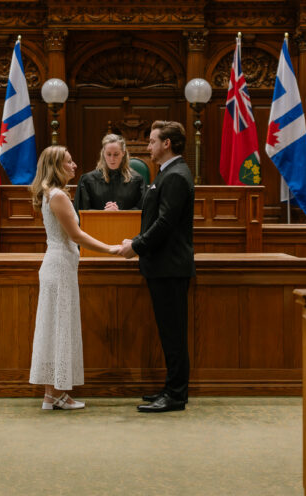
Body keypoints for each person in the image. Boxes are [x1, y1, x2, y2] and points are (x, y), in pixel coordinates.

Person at [29, 145, 120, 410]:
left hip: (60, 266)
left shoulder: (53, 194)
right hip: (59, 268)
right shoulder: (58, 196)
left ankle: (52, 394)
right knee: (60, 328)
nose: (74, 165)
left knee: (57, 328)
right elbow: (77, 236)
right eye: (69, 162)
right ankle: (56, 394)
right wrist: (110, 249)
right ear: (57, 166)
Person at [119, 120, 195, 413]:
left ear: (167, 144)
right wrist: (137, 240)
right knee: (168, 332)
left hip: (170, 266)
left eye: (152, 141)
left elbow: (165, 223)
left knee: (173, 333)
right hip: (163, 265)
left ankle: (176, 395)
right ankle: (172, 387)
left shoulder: (176, 175)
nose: (148, 147)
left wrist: (136, 246)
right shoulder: (168, 172)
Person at [73, 133, 146, 212]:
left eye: (116, 154)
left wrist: (120, 213)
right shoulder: (87, 180)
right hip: (97, 223)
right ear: (103, 154)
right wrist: (104, 213)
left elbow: (143, 209)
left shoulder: (137, 180)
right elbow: (81, 211)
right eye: (108, 154)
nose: (112, 159)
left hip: (126, 223)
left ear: (123, 153)